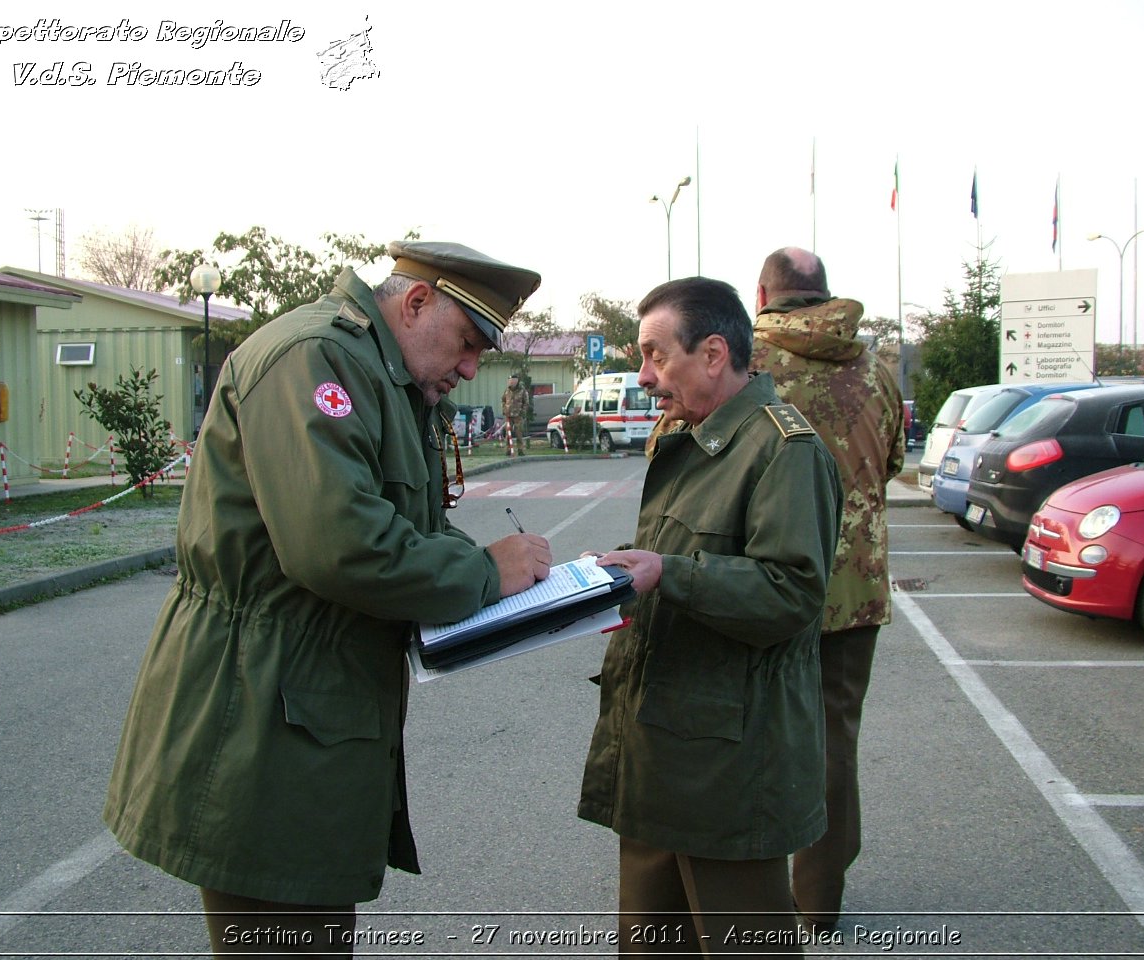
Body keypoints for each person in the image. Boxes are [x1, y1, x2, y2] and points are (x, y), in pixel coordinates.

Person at [103, 240, 553, 957]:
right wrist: (482, 574)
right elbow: (340, 544)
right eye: (468, 343)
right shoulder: (314, 358)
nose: (471, 369)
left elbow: (404, 528)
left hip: (304, 720)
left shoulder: (383, 375)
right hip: (260, 723)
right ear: (414, 304)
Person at [578, 277, 843, 954]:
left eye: (656, 355)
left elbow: (791, 594)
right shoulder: (694, 440)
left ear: (715, 353)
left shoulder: (783, 450)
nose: (644, 376)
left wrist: (670, 572)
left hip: (727, 768)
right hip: (661, 752)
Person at [751, 247, 905, 932]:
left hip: (764, 576)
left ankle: (741, 887)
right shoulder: (876, 367)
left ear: (764, 293)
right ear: (825, 294)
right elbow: (894, 459)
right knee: (833, 742)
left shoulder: (743, 362)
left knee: (748, 729)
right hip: (852, 587)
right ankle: (817, 901)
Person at [500, 371, 529, 455]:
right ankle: (508, 450)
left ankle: (520, 450)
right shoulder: (507, 390)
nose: (511, 382)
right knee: (508, 433)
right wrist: (504, 409)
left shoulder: (522, 390)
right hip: (508, 415)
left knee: (518, 432)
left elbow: (526, 402)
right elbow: (503, 400)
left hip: (518, 415)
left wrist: (522, 412)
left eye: (513, 380)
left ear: (517, 381)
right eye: (510, 380)